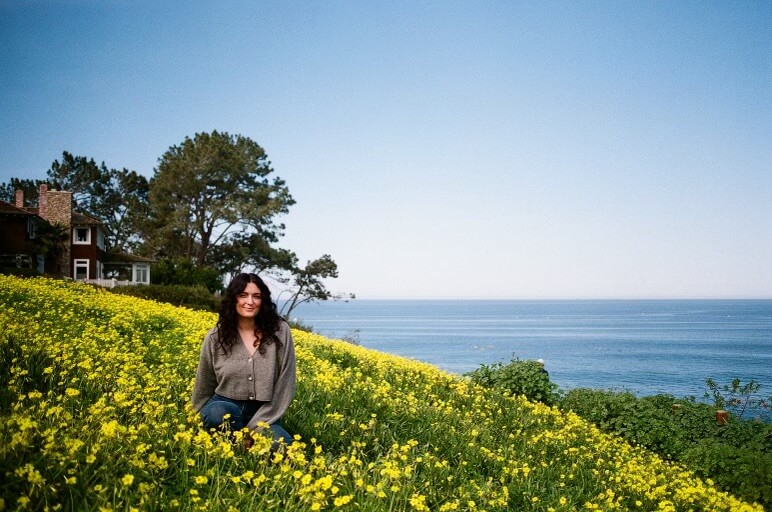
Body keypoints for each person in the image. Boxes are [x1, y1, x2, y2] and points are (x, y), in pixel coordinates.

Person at [192, 273, 296, 450]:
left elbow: (285, 384)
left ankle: (239, 443)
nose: (250, 302)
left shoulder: (280, 331)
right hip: (224, 407)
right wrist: (195, 419)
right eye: (243, 295)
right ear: (234, 299)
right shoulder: (215, 337)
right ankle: (238, 445)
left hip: (264, 413)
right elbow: (204, 382)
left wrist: (254, 428)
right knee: (218, 413)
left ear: (263, 300)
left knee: (283, 446)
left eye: (256, 296)